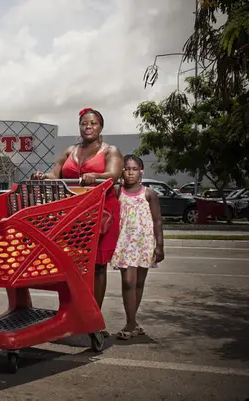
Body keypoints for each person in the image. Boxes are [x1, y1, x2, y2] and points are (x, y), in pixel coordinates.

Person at [32, 107, 123, 336]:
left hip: (102, 212)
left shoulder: (110, 151)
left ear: (100, 126)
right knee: (74, 264)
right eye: (84, 124)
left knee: (98, 267)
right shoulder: (70, 151)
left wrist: (97, 176)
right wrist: (43, 176)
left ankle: (94, 319)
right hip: (74, 213)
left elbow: (113, 175)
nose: (88, 127)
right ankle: (75, 314)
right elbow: (56, 175)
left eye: (92, 123)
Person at [110, 155, 165, 340]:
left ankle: (132, 321)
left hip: (144, 243)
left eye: (134, 168)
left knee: (139, 283)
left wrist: (160, 246)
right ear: (121, 172)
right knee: (128, 283)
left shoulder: (149, 193)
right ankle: (131, 323)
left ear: (141, 171)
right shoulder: (118, 192)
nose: (130, 172)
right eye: (126, 168)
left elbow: (157, 220)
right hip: (125, 243)